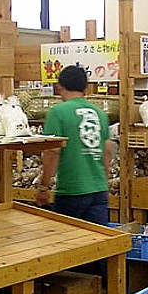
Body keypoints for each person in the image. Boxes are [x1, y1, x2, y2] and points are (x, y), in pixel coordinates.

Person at [35, 65, 112, 226]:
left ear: (59, 86)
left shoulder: (58, 112)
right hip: (98, 190)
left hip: (71, 190)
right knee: (98, 238)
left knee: (68, 238)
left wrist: (44, 187)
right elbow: (107, 151)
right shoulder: (100, 114)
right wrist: (103, 182)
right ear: (85, 87)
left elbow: (52, 152)